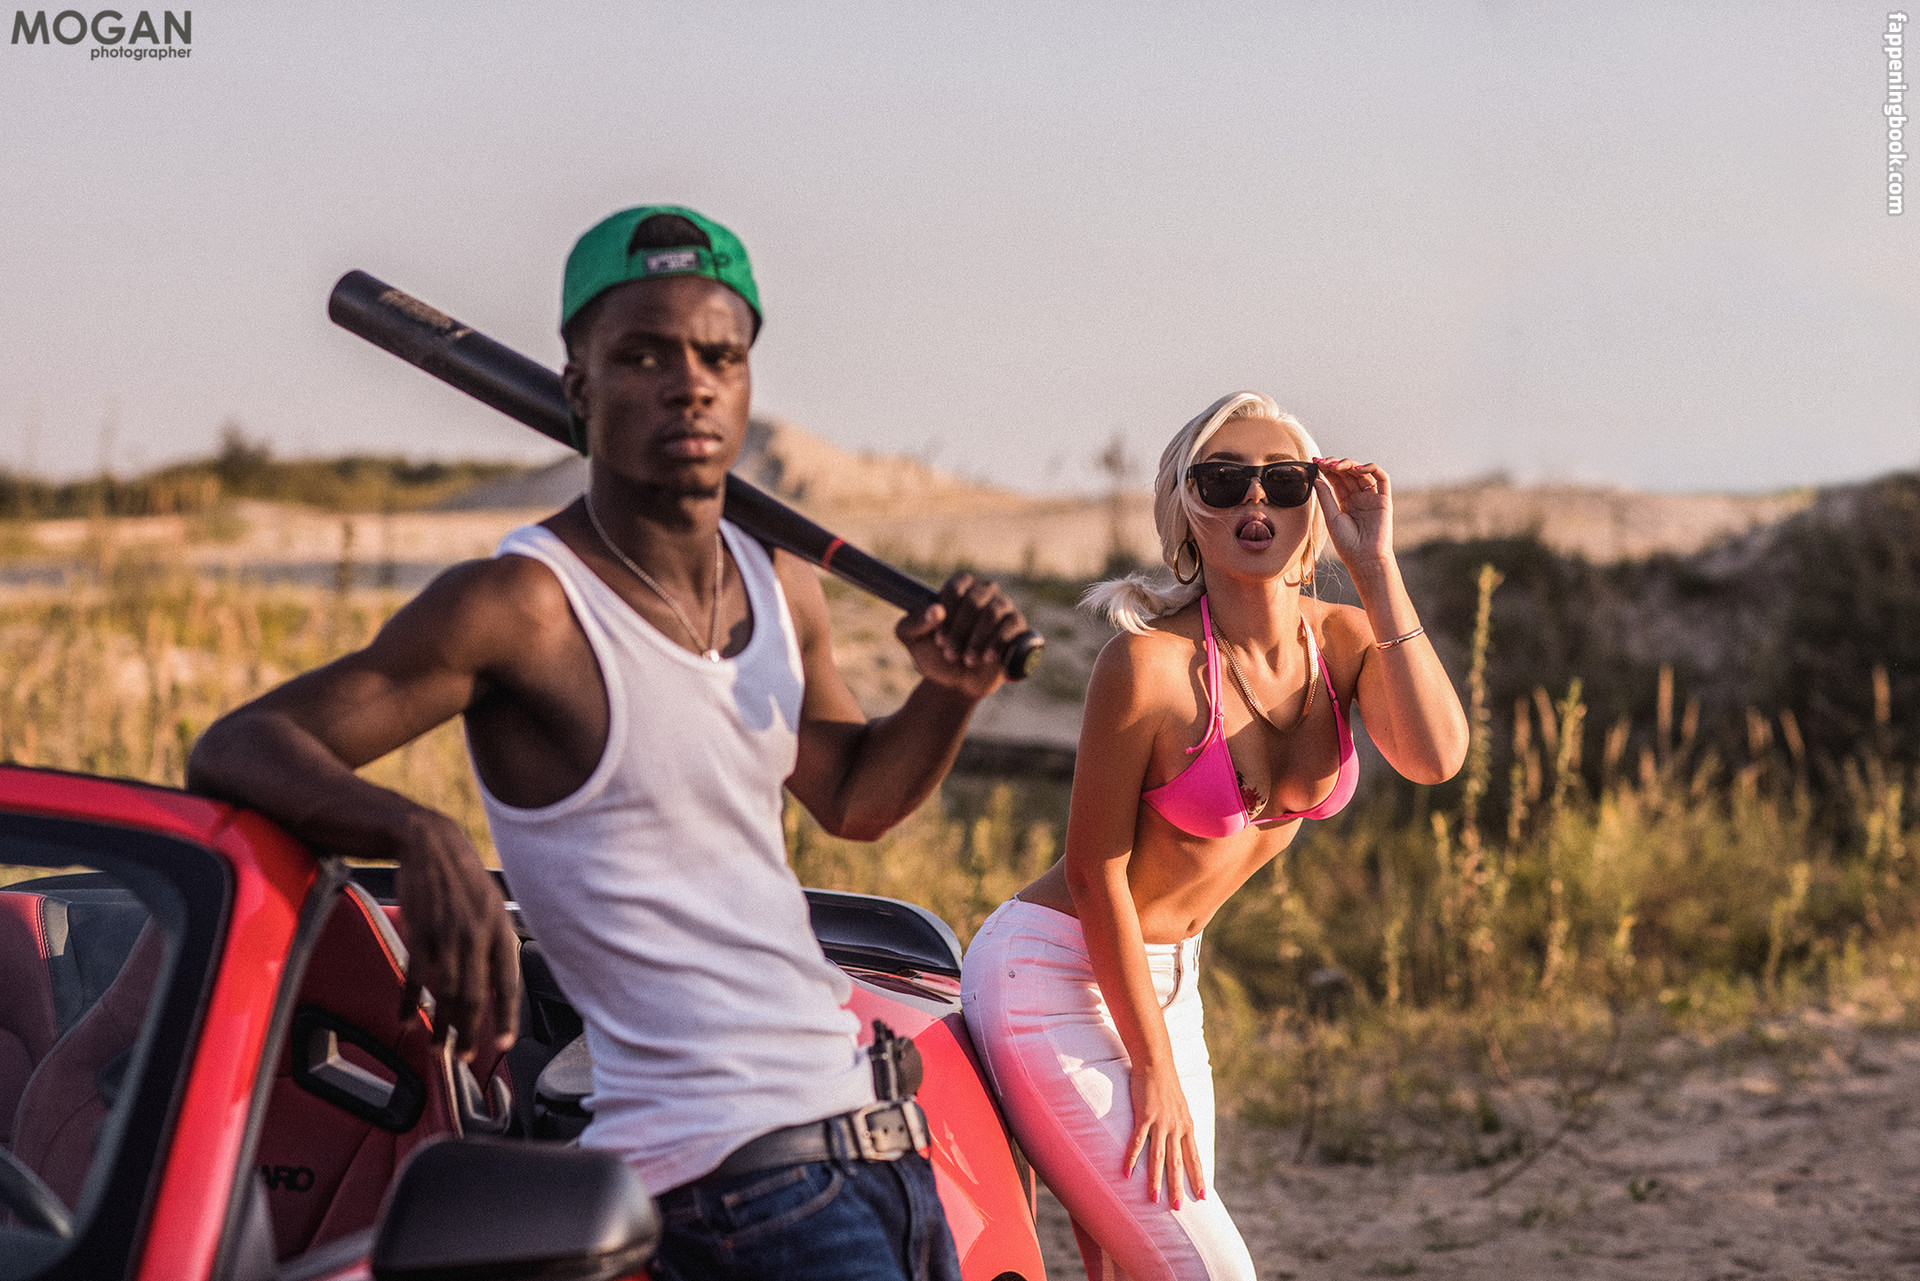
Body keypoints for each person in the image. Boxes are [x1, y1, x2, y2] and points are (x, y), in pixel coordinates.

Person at [189, 205, 1033, 1281]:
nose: (690, 385)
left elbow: (857, 800)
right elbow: (242, 745)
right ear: (577, 384)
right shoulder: (523, 608)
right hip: (733, 1185)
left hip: (879, 1146)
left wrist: (947, 696)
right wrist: (417, 831)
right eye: (643, 355)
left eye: (718, 356)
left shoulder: (780, 582)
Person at [959, 392, 1468, 1280]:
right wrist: (1151, 1065)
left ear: (1315, 500)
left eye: (1283, 480)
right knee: (1210, 1269)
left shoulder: (1345, 641)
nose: (1255, 500)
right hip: (1052, 972)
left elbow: (1435, 757)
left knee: (1145, 1264)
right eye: (1223, 481)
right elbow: (1093, 876)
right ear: (1185, 510)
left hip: (1171, 980)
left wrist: (1377, 567)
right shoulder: (1146, 665)